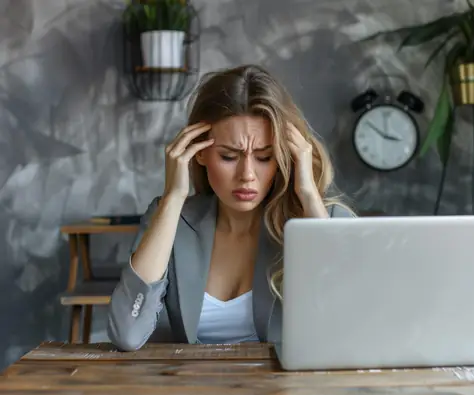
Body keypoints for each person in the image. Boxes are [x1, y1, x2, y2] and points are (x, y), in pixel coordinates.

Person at [107, 64, 355, 351]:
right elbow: (127, 333)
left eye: (264, 157)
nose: (247, 174)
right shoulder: (171, 220)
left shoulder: (326, 221)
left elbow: (351, 329)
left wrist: (309, 195)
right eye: (228, 156)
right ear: (199, 153)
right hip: (195, 391)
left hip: (283, 394)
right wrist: (174, 197)